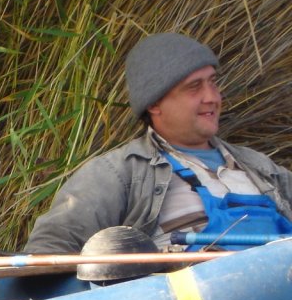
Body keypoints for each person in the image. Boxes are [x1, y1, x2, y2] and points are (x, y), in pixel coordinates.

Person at [25, 32, 292, 254]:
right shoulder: (117, 173)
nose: (212, 97)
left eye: (213, 82)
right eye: (194, 87)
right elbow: (49, 249)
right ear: (154, 103)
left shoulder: (261, 167)